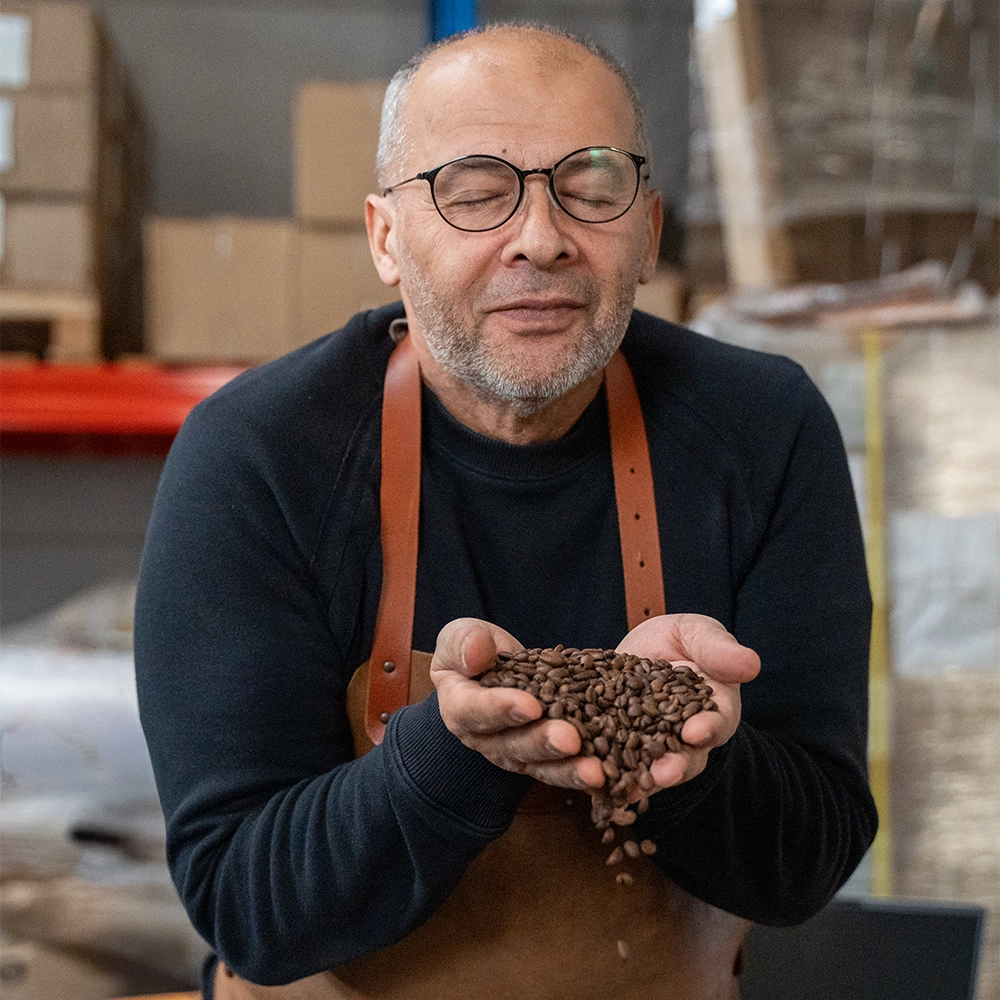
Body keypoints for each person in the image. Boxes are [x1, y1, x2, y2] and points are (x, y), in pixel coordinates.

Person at [134, 22, 877, 1000]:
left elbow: (808, 862)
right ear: (386, 237)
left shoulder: (760, 428)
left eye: (592, 184)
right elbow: (249, 906)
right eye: (475, 190)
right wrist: (451, 753)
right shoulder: (259, 454)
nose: (540, 237)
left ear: (647, 230)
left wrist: (694, 751)